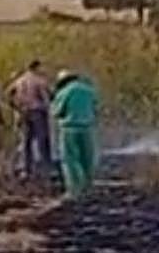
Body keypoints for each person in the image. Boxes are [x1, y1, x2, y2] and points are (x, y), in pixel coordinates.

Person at [51, 69, 100, 198]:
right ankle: (88, 187)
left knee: (70, 160)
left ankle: (74, 190)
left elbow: (57, 112)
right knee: (87, 159)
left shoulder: (64, 92)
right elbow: (96, 108)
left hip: (69, 129)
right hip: (87, 128)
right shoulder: (89, 90)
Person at [7, 60, 53, 178]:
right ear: (36, 68)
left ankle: (26, 169)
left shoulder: (19, 81)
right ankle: (46, 169)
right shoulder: (39, 80)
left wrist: (16, 106)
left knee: (26, 141)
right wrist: (49, 108)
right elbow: (48, 96)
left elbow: (8, 94)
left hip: (23, 112)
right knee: (42, 140)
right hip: (37, 112)